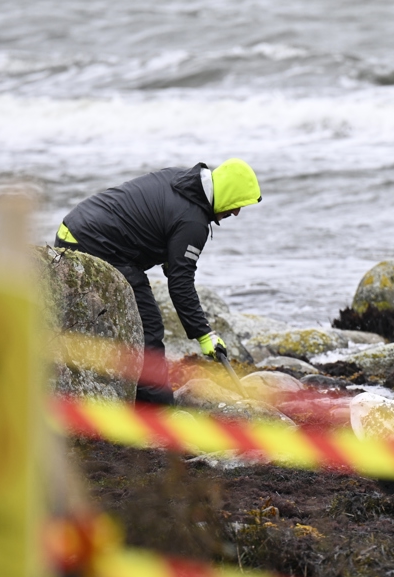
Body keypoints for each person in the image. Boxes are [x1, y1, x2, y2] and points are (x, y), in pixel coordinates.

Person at [54, 159, 262, 403]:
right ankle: (155, 407)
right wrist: (204, 335)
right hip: (96, 244)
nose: (236, 212)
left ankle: (115, 390)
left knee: (113, 321)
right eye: (237, 205)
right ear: (226, 194)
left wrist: (170, 258)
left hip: (74, 228)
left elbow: (154, 219)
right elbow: (181, 283)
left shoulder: (182, 179)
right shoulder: (193, 222)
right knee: (148, 326)